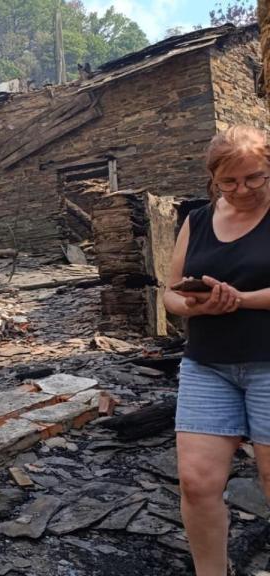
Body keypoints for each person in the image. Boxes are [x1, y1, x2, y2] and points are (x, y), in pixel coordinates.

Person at [164, 125, 270, 576]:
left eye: (254, 178)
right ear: (213, 178)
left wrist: (241, 300)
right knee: (197, 482)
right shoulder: (197, 219)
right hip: (208, 365)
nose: (242, 189)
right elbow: (168, 296)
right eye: (229, 181)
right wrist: (199, 306)